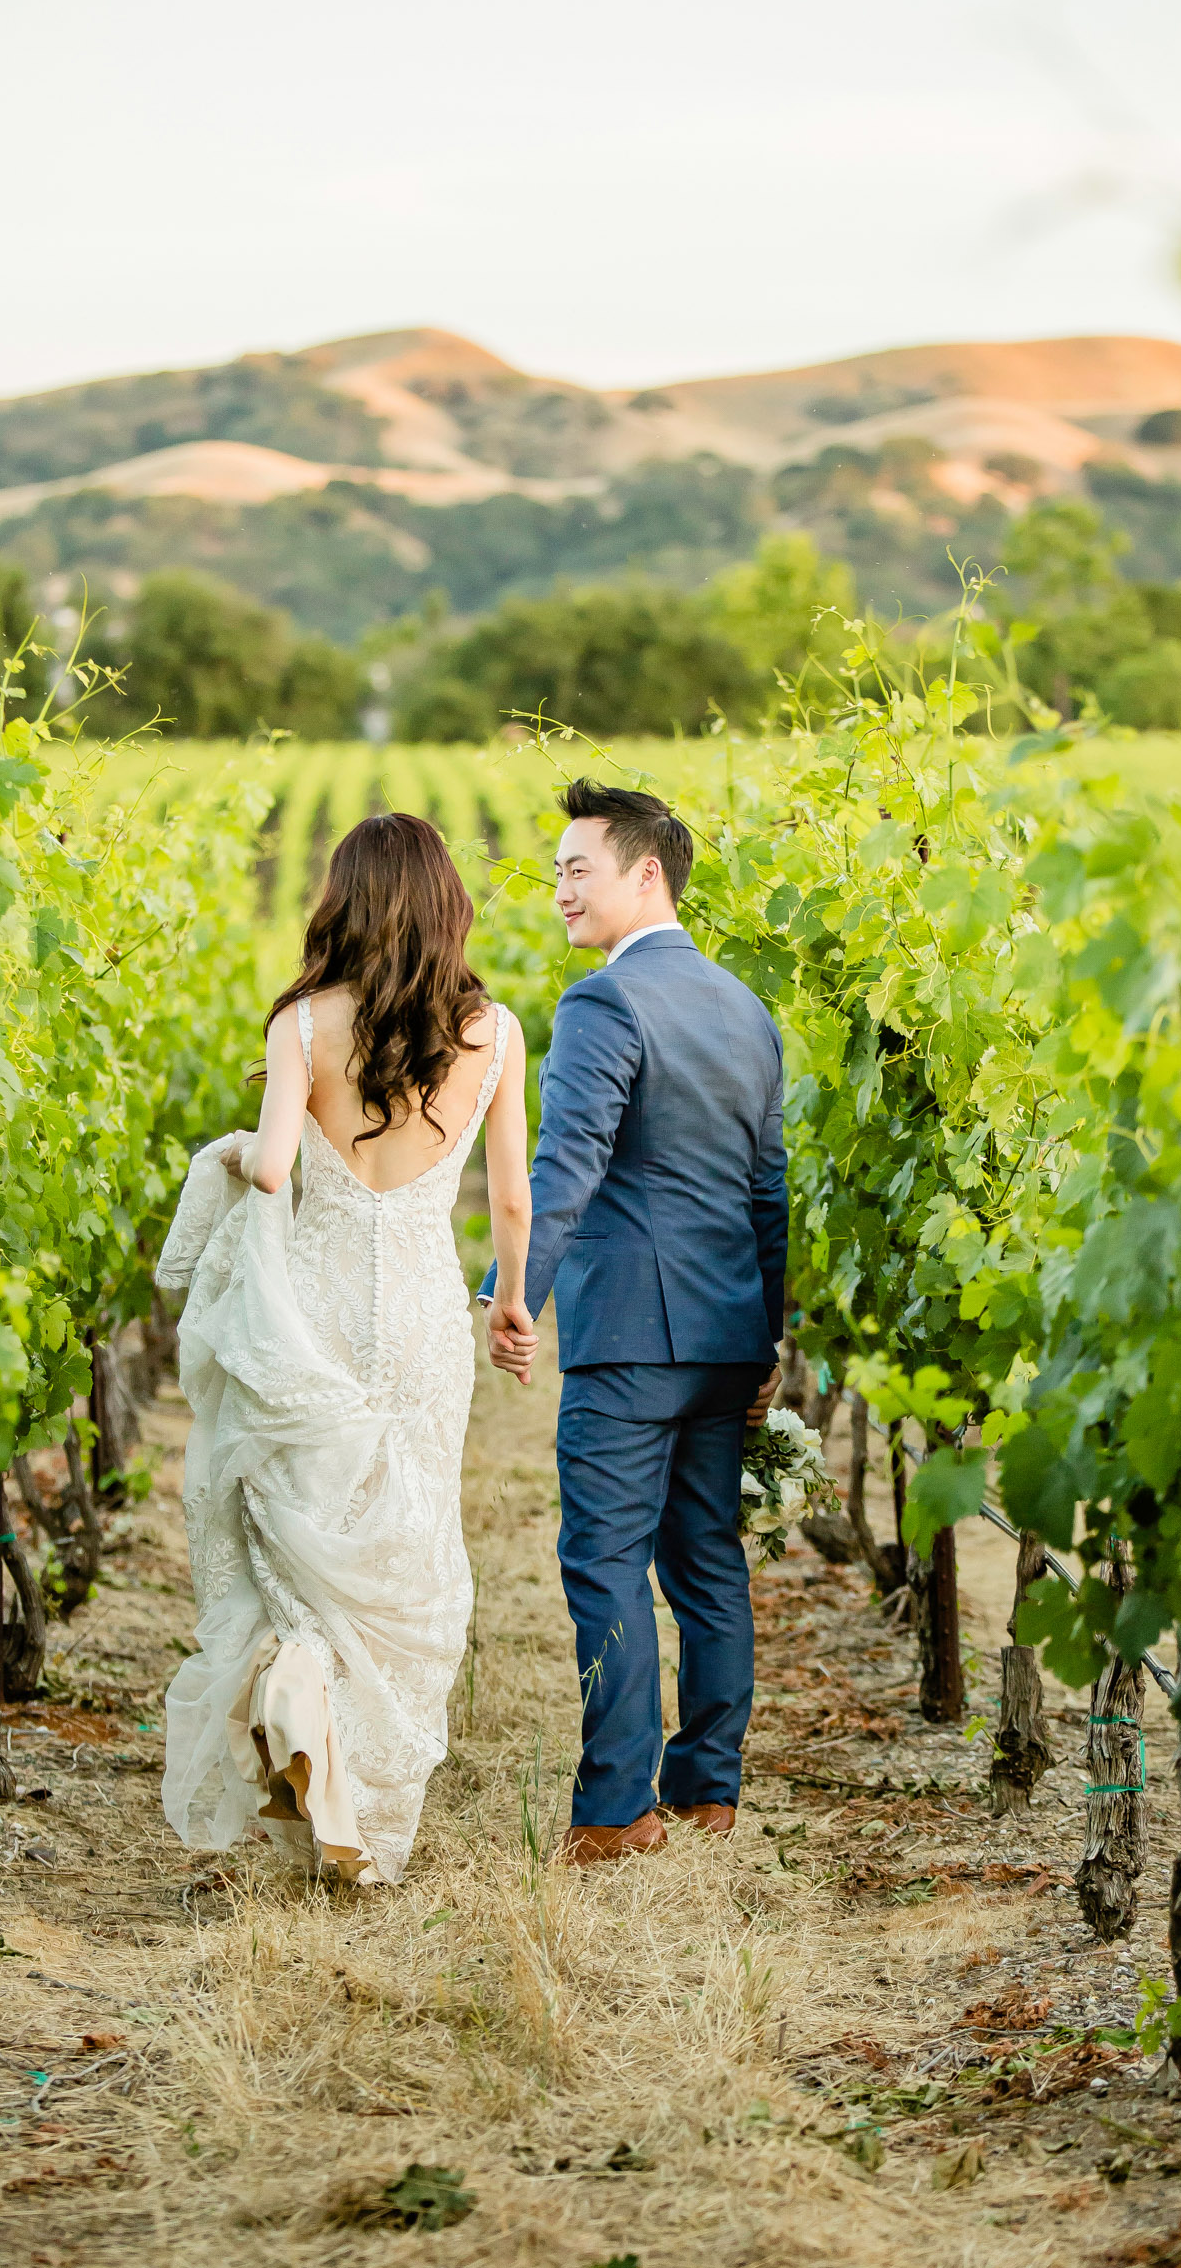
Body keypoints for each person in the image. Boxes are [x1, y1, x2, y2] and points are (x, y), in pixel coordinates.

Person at [156, 813, 530, 1886]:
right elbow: (509, 1193)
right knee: (406, 1547)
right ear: (445, 906)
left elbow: (270, 1170)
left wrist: (227, 1154)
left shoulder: (304, 1025)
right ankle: (361, 1809)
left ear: (342, 901)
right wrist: (509, 1302)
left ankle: (297, 1699)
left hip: (311, 1307)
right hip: (418, 1313)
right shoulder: (492, 1035)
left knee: (302, 1536)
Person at [485, 778, 786, 1865]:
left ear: (644, 872)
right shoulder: (743, 1008)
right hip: (725, 1334)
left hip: (629, 1338)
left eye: (578, 869)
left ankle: (615, 1811)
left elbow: (564, 1165)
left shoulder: (602, 1005)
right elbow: (768, 1190)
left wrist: (513, 1287)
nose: (559, 889)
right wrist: (770, 1334)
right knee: (705, 1562)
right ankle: (708, 1792)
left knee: (603, 1561)